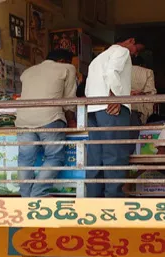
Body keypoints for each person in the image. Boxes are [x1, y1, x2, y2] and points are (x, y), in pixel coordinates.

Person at [84, 37, 144, 198]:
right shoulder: (122, 51)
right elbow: (112, 72)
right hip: (112, 108)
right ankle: (113, 199)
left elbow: (89, 85)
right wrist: (115, 96)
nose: (135, 54)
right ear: (130, 41)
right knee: (115, 154)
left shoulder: (98, 58)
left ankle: (93, 198)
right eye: (136, 49)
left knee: (95, 156)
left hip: (94, 108)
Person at [15, 49, 77, 197]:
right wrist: (71, 120)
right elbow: (69, 100)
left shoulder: (28, 71)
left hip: (23, 120)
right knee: (54, 157)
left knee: (25, 161)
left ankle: (25, 198)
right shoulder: (67, 69)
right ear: (63, 61)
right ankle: (37, 195)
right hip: (50, 118)